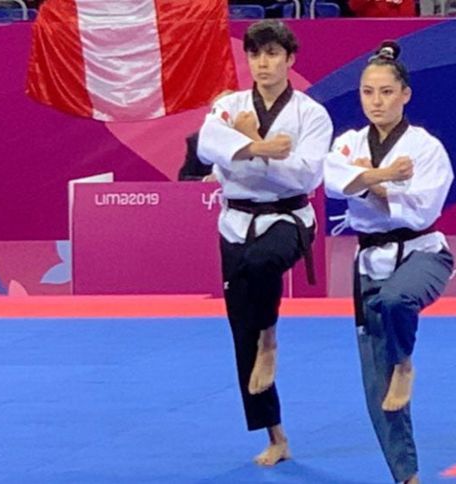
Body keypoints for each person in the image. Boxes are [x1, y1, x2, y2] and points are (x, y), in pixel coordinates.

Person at [196, 20, 333, 466]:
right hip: (236, 221)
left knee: (262, 262)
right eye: (255, 54)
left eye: (273, 54)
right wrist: (262, 148)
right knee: (242, 333)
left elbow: (306, 175)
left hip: (290, 218)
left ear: (290, 59)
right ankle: (277, 437)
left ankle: (270, 338)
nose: (263, 63)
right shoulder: (229, 105)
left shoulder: (311, 114)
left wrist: (247, 143)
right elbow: (207, 146)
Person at [324, 41, 454, 484]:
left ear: (405, 94)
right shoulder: (348, 142)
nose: (376, 101)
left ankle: (405, 363)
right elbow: (333, 182)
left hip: (424, 252)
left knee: (397, 299)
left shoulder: (426, 147)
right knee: (376, 389)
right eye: (367, 92)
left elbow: (421, 208)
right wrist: (385, 178)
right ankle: (407, 477)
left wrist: (365, 181)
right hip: (369, 262)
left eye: (385, 92)